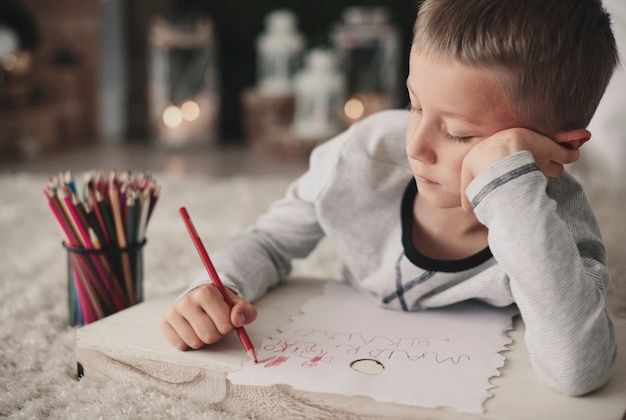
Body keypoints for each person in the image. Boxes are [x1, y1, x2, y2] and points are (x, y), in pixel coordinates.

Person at [160, 0, 620, 396]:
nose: (415, 145)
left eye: (459, 133)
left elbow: (578, 369)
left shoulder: (555, 225)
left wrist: (508, 181)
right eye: (414, 105)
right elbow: (269, 242)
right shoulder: (363, 156)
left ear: (559, 147)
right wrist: (217, 289)